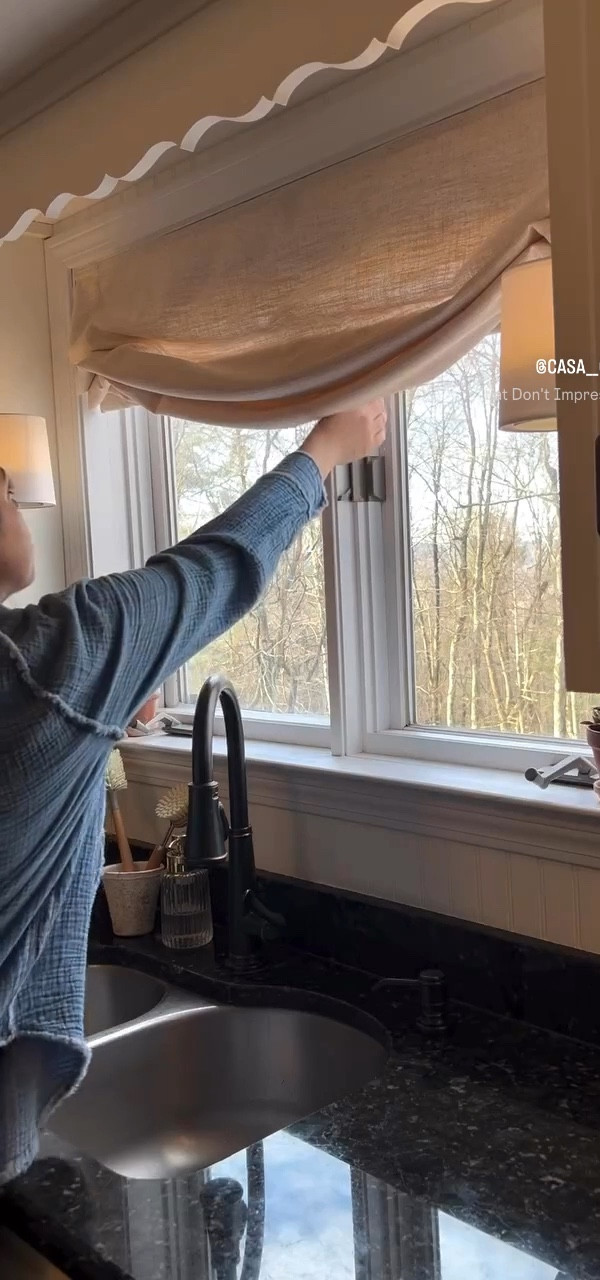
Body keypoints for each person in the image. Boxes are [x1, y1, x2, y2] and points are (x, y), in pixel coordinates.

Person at [0, 400, 387, 1183]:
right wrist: (329, 447)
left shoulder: (46, 674)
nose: (14, 496)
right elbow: (218, 566)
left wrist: (97, 714)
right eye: (4, 487)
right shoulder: (52, 660)